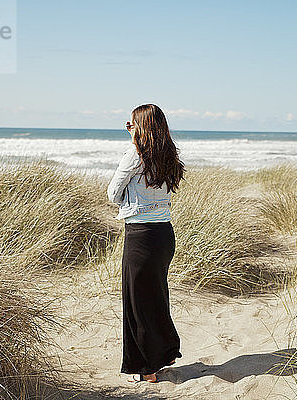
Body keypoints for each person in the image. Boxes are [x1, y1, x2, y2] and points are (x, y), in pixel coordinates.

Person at [107, 104, 186, 383]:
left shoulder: (134, 154)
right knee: (155, 299)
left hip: (141, 235)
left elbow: (113, 193)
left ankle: (146, 370)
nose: (129, 130)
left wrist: (129, 195)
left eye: (131, 125)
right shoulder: (168, 153)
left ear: (140, 127)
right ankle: (160, 358)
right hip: (164, 234)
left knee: (137, 303)